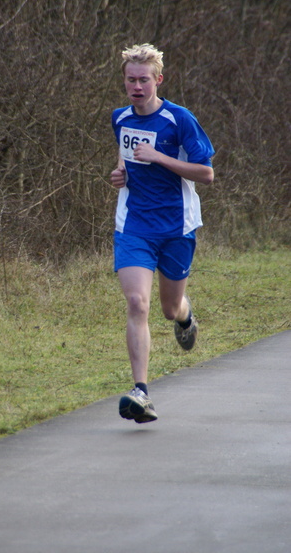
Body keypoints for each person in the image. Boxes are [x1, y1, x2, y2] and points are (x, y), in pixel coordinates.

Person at [110, 43, 215, 424]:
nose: (136, 87)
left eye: (144, 80)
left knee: (170, 308)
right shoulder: (120, 118)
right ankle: (141, 391)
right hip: (134, 226)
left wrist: (161, 159)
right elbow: (125, 157)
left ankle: (185, 317)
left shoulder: (179, 119)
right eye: (130, 80)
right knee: (138, 302)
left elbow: (206, 173)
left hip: (176, 227)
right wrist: (119, 173)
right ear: (124, 81)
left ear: (159, 79)